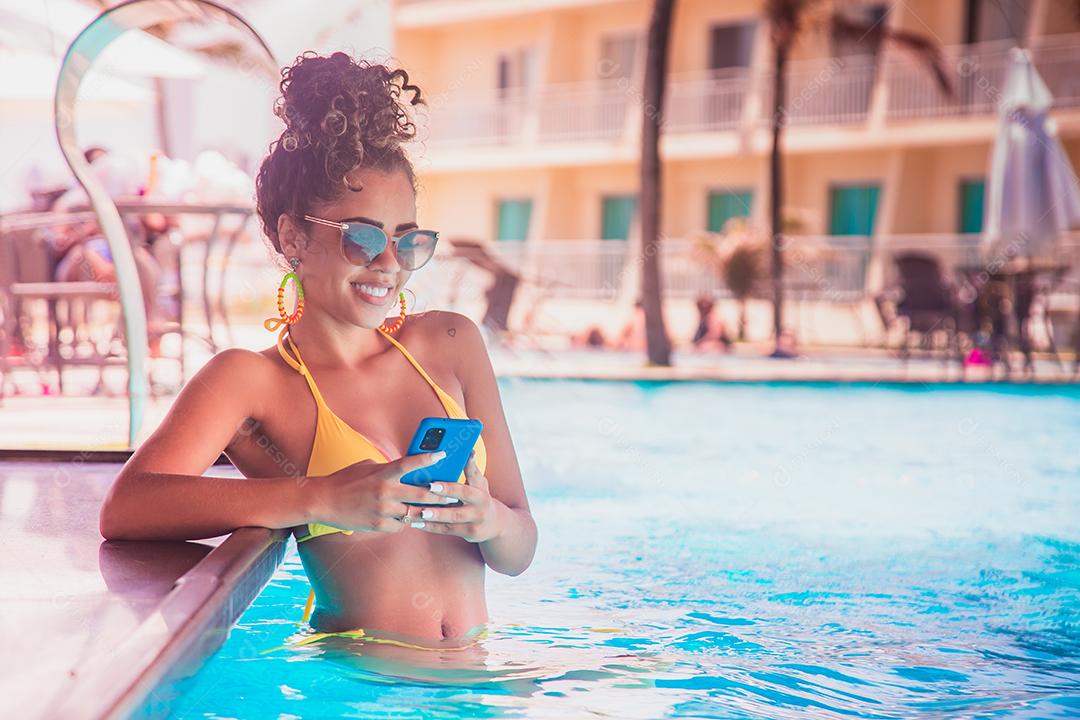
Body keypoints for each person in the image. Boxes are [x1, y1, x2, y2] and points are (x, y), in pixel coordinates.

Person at [99, 52, 537, 649]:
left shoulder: (451, 343)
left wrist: (490, 521)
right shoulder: (250, 381)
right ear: (293, 236)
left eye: (407, 241)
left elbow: (520, 550)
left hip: (477, 672)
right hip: (362, 676)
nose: (388, 264)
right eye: (363, 237)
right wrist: (322, 497)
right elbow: (128, 508)